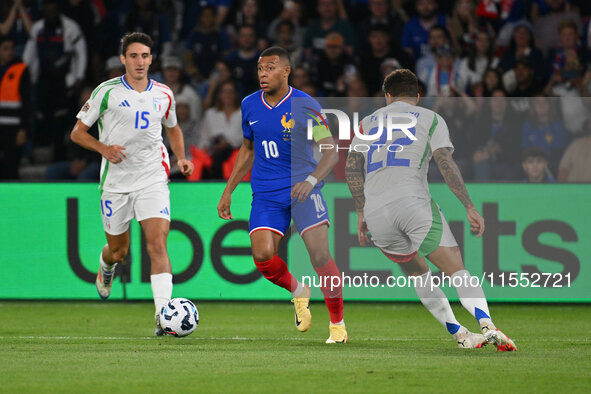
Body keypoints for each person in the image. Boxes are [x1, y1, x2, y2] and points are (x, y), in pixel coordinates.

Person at [344, 69, 516, 351]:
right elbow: (445, 163)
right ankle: (487, 325)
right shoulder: (430, 118)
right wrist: (469, 206)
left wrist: (361, 212)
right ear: (418, 96)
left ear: (388, 96)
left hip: (376, 214)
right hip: (412, 203)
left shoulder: (366, 123)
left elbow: (352, 167)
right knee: (456, 270)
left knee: (419, 275)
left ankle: (461, 336)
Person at [217, 47, 347, 343]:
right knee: (262, 255)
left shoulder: (306, 104)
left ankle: (337, 324)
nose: (263, 73)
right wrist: (228, 191)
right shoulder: (250, 104)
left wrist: (312, 180)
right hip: (265, 192)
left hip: (303, 188)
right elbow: (247, 150)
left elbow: (330, 152)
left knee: (319, 254)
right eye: (260, 68)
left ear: (286, 71)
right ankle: (298, 291)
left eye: (270, 68)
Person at [69, 32, 194, 335]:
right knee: (119, 251)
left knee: (157, 244)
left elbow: (173, 128)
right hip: (116, 182)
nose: (140, 62)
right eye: (134, 56)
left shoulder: (163, 93)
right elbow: (77, 133)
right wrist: (104, 149)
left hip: (153, 176)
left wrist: (181, 157)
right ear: (124, 59)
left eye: (145, 56)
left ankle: (163, 318)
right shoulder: (106, 91)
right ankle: (106, 264)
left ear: (152, 59)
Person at [0, 34, 30, 180]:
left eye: (12, 48)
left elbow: (27, 103)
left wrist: (23, 129)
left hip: (13, 129)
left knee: (11, 168)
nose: (9, 52)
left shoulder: (21, 70)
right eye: (5, 49)